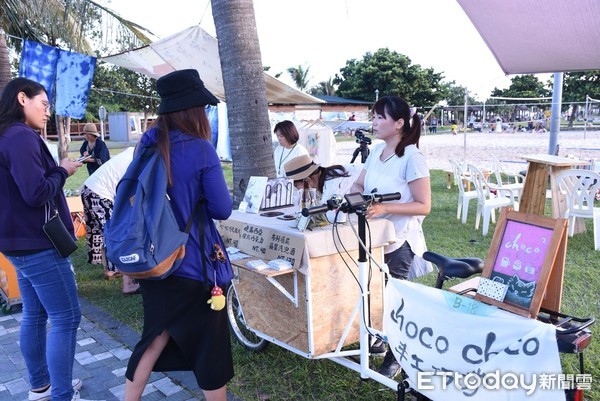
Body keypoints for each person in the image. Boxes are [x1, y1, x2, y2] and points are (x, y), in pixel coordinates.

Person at [124, 69, 234, 401]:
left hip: (153, 262)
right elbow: (222, 208)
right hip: (193, 264)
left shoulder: (146, 144)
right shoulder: (201, 150)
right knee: (209, 349)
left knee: (154, 337)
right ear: (196, 111)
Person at [0, 77, 93, 401]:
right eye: (44, 104)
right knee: (66, 317)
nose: (48, 112)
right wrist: (63, 170)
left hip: (17, 244)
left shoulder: (6, 136)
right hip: (38, 244)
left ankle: (42, 386)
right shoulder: (20, 137)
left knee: (36, 315)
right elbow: (36, 192)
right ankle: (61, 395)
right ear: (23, 99)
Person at [351, 95, 431, 379]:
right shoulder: (375, 153)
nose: (373, 122)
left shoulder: (412, 157)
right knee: (373, 293)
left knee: (397, 300)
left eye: (379, 117)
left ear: (398, 124)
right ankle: (379, 339)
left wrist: (385, 207)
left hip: (400, 241)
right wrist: (348, 198)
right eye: (373, 116)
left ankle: (398, 355)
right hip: (372, 238)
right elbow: (359, 184)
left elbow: (423, 205)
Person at [81, 146, 140, 293]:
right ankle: (113, 270)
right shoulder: (136, 161)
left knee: (100, 230)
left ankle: (105, 266)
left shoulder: (130, 152)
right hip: (101, 193)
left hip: (89, 188)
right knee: (113, 233)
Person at [283, 154, 361, 222]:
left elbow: (329, 216)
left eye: (296, 185)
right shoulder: (323, 178)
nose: (297, 189)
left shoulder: (332, 184)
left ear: (307, 180)